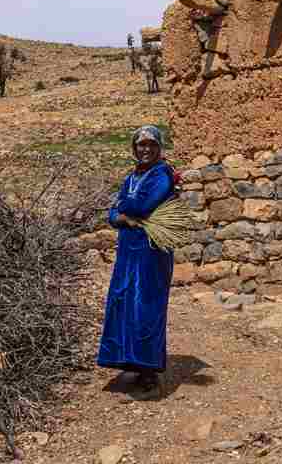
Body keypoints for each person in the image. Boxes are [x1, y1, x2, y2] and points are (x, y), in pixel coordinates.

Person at [97, 125, 176, 396]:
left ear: (159, 148)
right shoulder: (131, 177)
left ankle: (149, 370)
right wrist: (118, 215)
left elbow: (142, 206)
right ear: (134, 148)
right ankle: (129, 360)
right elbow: (113, 212)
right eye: (141, 145)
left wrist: (121, 210)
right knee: (124, 303)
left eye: (152, 145)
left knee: (147, 306)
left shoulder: (163, 175)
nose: (146, 149)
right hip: (129, 252)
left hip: (152, 252)